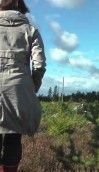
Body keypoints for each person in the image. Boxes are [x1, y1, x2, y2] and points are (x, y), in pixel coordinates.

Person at [0, 0, 46, 171]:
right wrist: (31, 88)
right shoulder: (31, 30)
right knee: (13, 139)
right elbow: (39, 66)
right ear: (22, 9)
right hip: (19, 90)